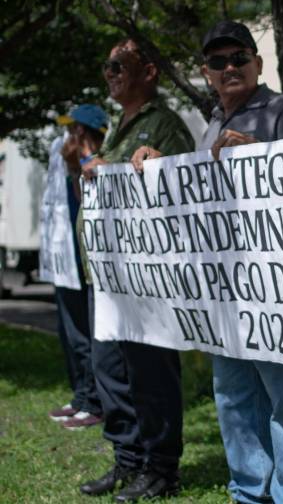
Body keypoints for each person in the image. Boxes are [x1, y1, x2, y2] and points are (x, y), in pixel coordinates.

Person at [131, 20, 283, 504]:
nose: (230, 67)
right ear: (206, 72)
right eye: (218, 62)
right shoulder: (211, 124)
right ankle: (247, 494)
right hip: (227, 293)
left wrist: (260, 157)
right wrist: (159, 164)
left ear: (258, 63)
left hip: (279, 291)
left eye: (239, 58)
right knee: (234, 399)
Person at [78, 38, 194, 501]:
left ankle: (162, 468)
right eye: (106, 67)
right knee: (110, 371)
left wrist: (154, 165)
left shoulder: (164, 124)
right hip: (110, 278)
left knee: (151, 376)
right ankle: (128, 461)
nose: (110, 74)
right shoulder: (118, 127)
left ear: (149, 72)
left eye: (118, 66)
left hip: (148, 282)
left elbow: (184, 187)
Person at [45, 105, 107, 430]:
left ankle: (94, 400)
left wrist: (81, 161)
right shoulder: (68, 161)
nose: (67, 137)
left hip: (86, 261)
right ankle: (81, 395)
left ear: (86, 132)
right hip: (64, 259)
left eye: (73, 130)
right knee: (70, 332)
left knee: (87, 334)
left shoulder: (98, 159)